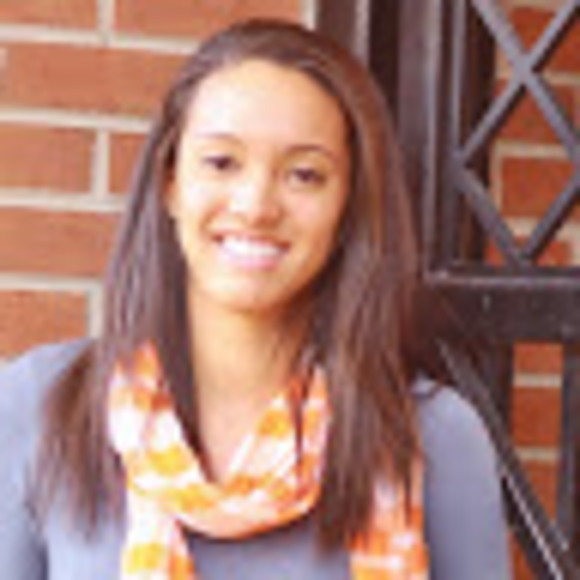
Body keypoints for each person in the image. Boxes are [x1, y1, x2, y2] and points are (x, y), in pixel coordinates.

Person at [0, 18, 511, 579]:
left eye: (304, 175)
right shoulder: (37, 407)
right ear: (170, 182)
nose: (256, 205)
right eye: (222, 162)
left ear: (348, 206)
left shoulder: (434, 437)